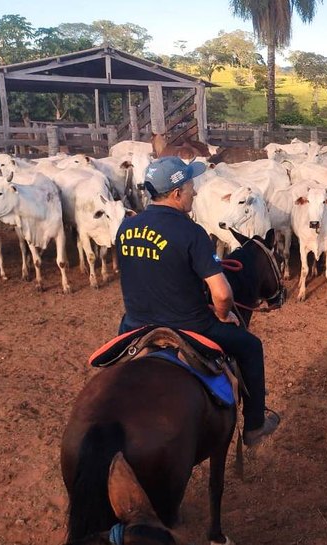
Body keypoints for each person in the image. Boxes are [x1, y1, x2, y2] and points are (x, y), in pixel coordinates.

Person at [115, 156, 279, 446]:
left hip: (134, 324)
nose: (195, 191)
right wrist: (222, 314)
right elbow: (223, 293)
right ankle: (254, 426)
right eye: (191, 185)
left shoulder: (126, 228)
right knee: (251, 346)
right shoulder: (192, 232)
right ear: (177, 193)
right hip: (189, 324)